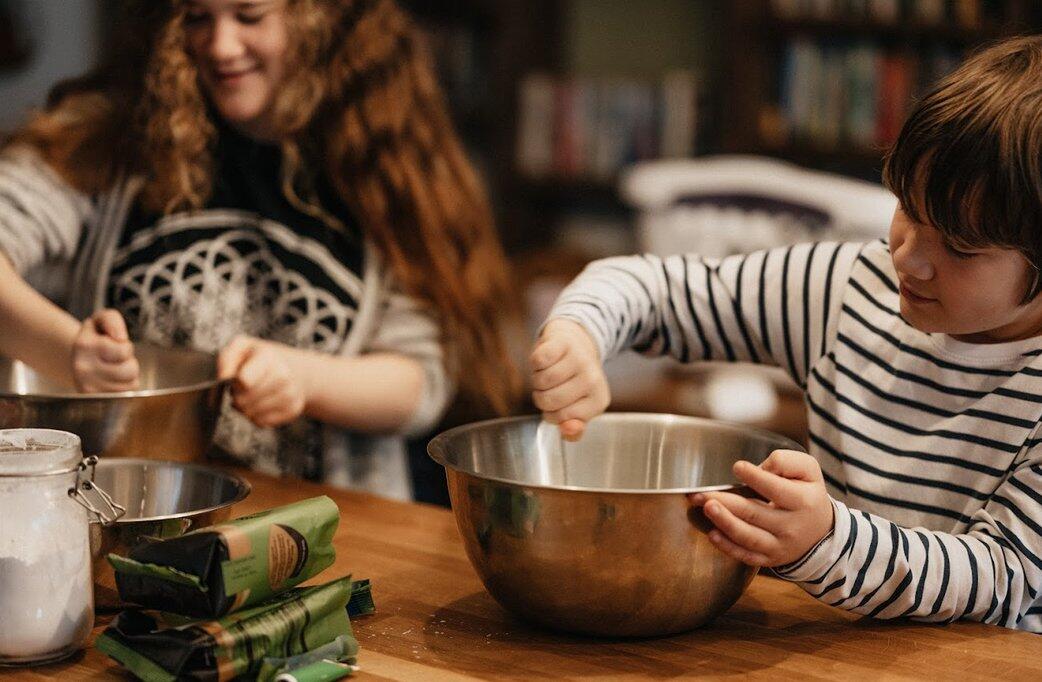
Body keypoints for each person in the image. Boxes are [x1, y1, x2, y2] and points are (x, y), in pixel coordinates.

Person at [530, 36, 1042, 630]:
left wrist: (827, 541)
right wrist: (580, 334)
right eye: (908, 208)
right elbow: (652, 288)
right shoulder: (849, 287)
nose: (909, 258)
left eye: (959, 247)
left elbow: (1001, 577)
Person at [0, 0, 518, 499]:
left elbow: (420, 382)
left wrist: (305, 379)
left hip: (321, 531)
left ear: (320, 16)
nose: (221, 46)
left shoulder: (384, 161)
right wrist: (69, 352)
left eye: (250, 15)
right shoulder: (109, 138)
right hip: (117, 508)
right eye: (197, 17)